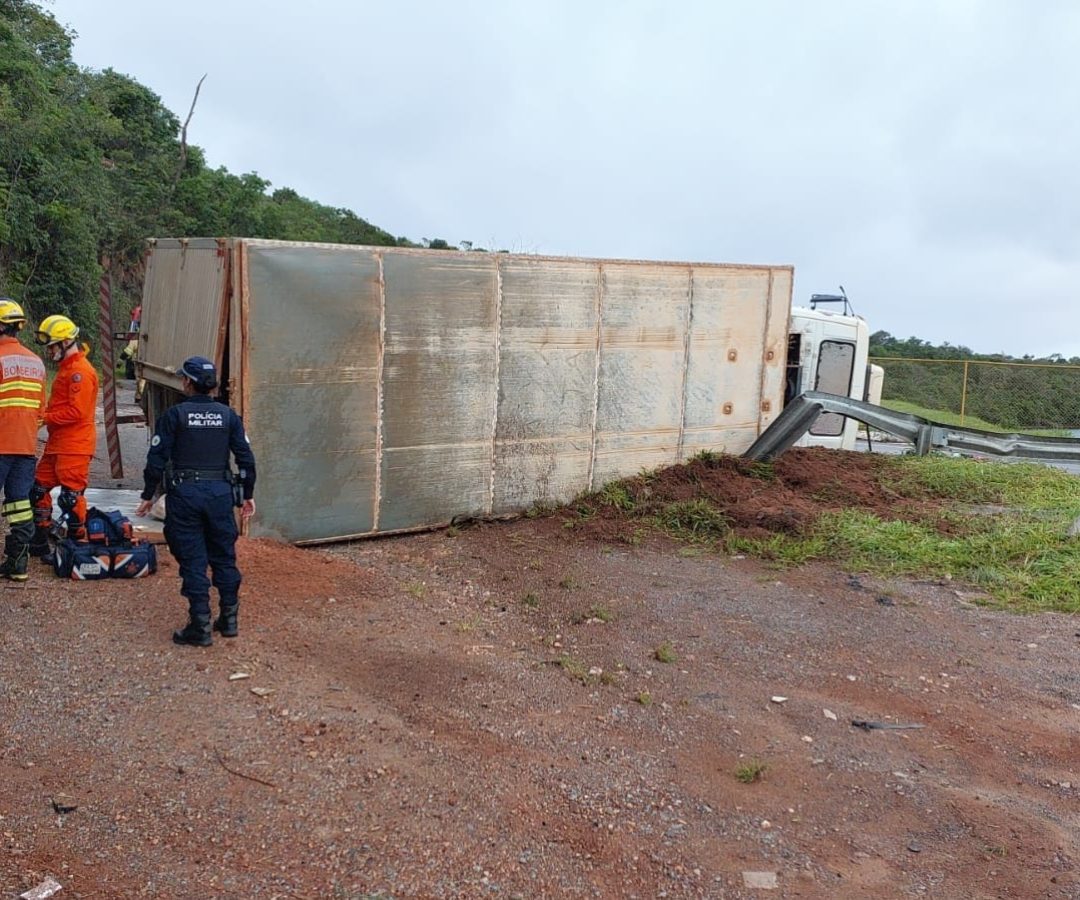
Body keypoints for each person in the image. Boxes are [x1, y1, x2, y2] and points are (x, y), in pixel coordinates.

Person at [135, 356, 256, 647]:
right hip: (219, 495)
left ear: (188, 382)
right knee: (224, 556)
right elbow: (246, 460)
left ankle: (200, 625)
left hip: (185, 494)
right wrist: (247, 494)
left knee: (192, 558)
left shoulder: (174, 416)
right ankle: (229, 620)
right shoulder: (229, 417)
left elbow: (156, 459)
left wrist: (148, 494)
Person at [30, 314, 98, 555]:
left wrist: (45, 417)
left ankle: (77, 544)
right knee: (37, 489)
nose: (50, 352)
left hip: (75, 445)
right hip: (58, 443)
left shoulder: (80, 371)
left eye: (52, 347)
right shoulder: (67, 369)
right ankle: (40, 537)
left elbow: (76, 412)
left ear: (65, 342)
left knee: (71, 497)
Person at [0, 299, 47, 581]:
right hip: (25, 447)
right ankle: (17, 562)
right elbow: (41, 410)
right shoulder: (36, 361)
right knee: (19, 503)